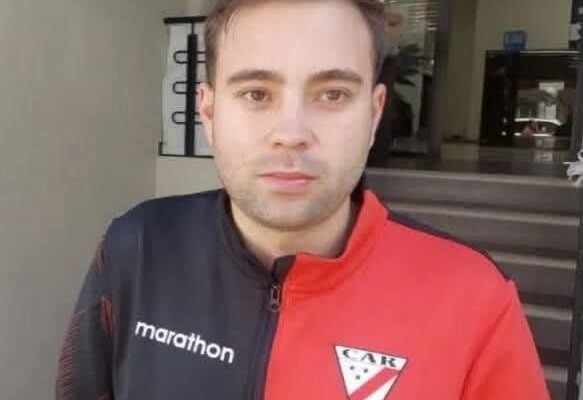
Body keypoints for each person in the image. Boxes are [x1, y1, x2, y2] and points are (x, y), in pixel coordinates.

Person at [55, 0, 550, 399]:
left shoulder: (472, 297)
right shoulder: (138, 247)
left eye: (332, 94)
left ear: (374, 114)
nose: (291, 133)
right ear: (208, 111)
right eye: (256, 93)